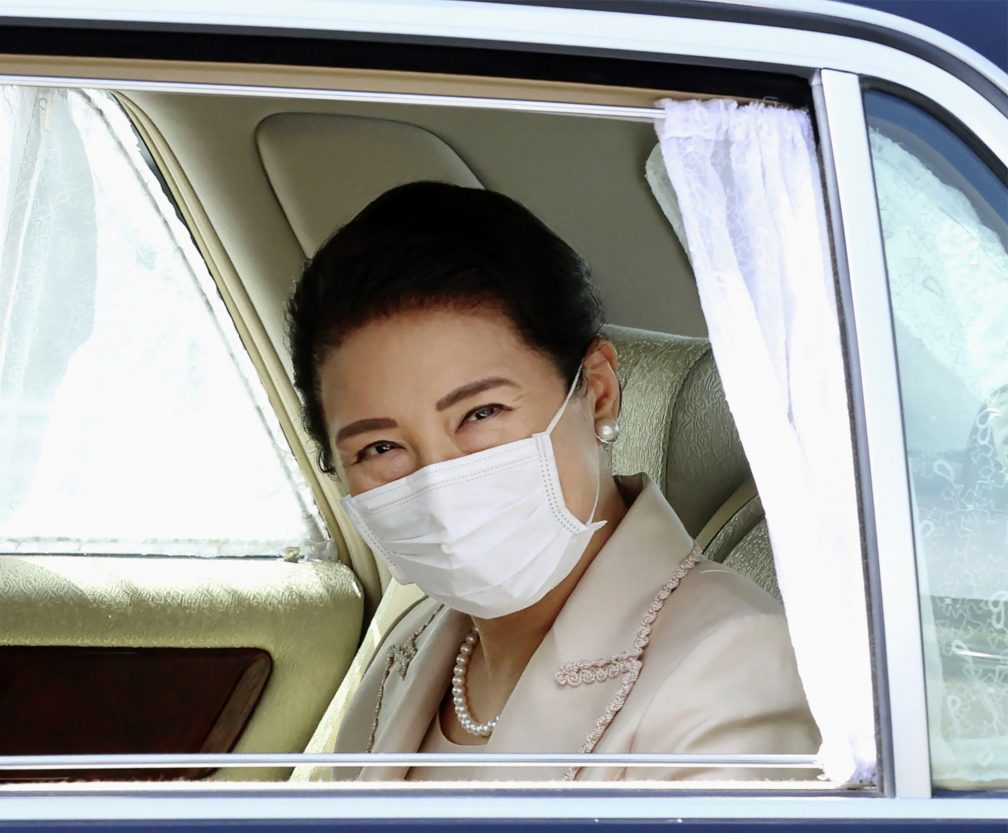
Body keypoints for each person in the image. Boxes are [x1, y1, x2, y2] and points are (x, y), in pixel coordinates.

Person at [287, 181, 819, 782]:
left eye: (481, 414)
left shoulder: (734, 664)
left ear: (596, 391)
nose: (440, 483)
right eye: (380, 447)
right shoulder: (406, 651)